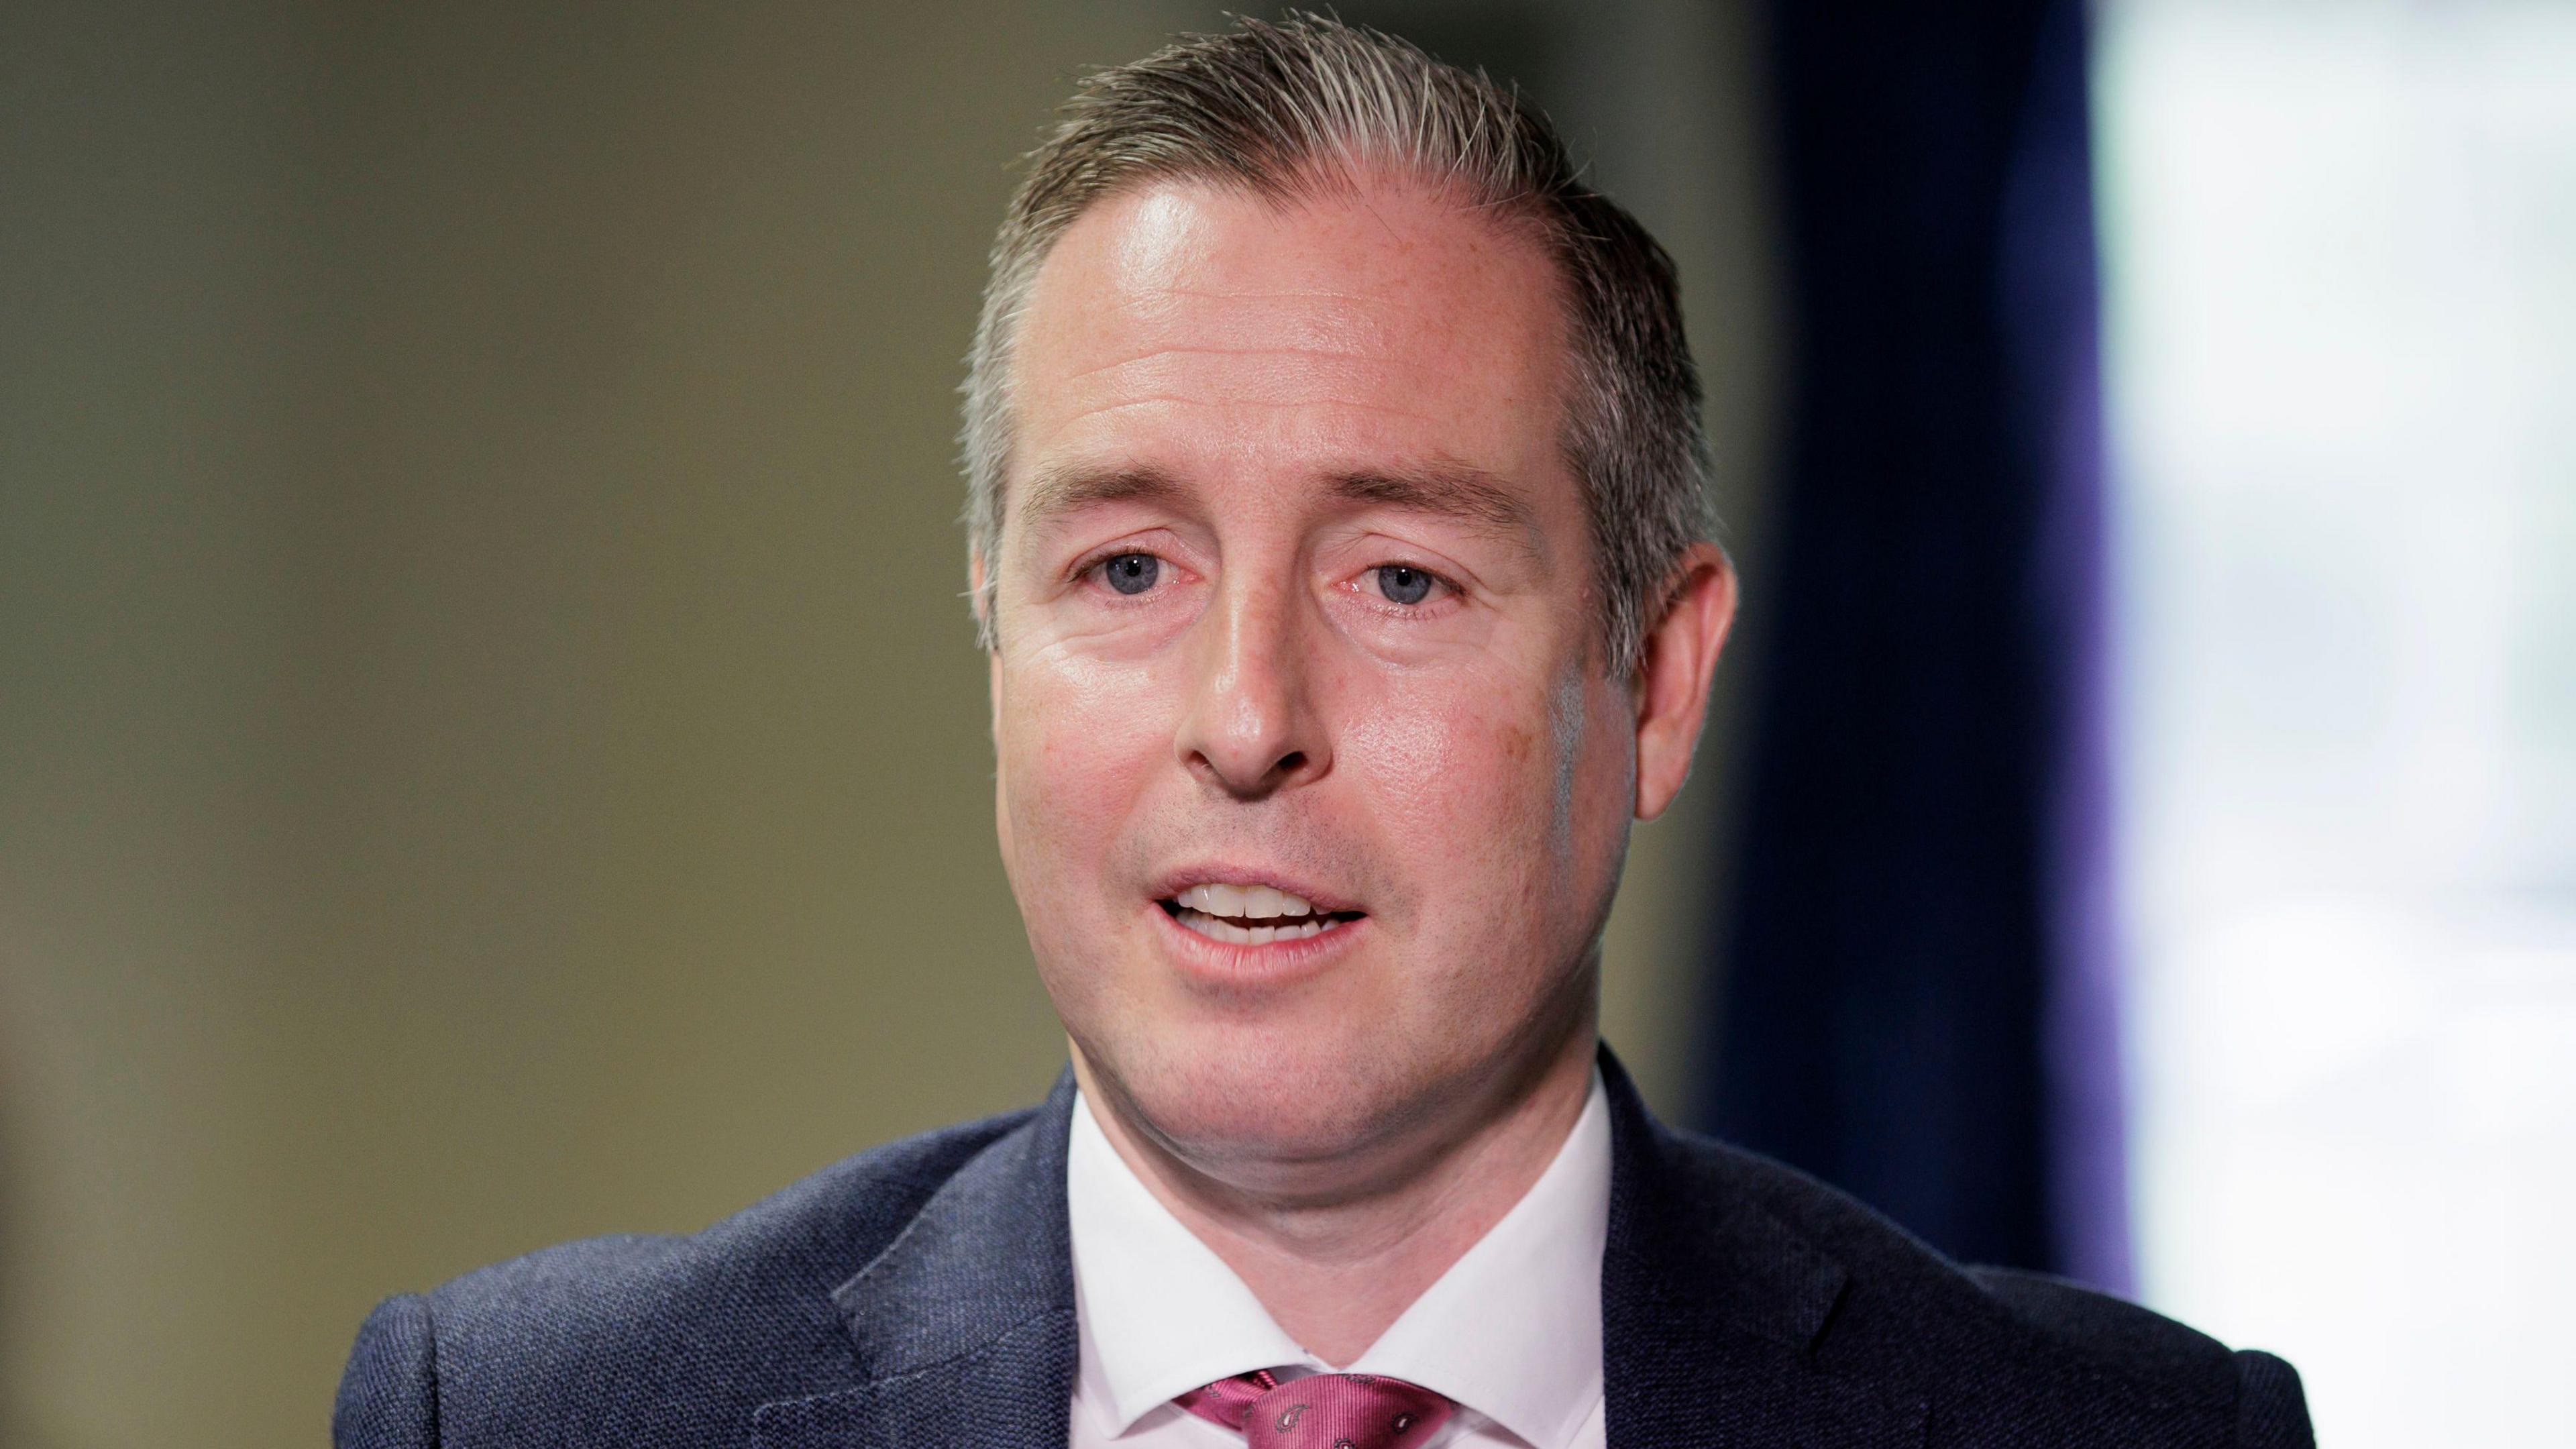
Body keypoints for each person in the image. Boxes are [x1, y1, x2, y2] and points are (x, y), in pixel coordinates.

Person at [333, 16, 2312, 1449]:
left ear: (1655, 679)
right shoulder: (520, 1421)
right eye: (1126, 572)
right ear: (993, 641)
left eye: (1400, 581)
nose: (1249, 721)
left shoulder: (2120, 1436)